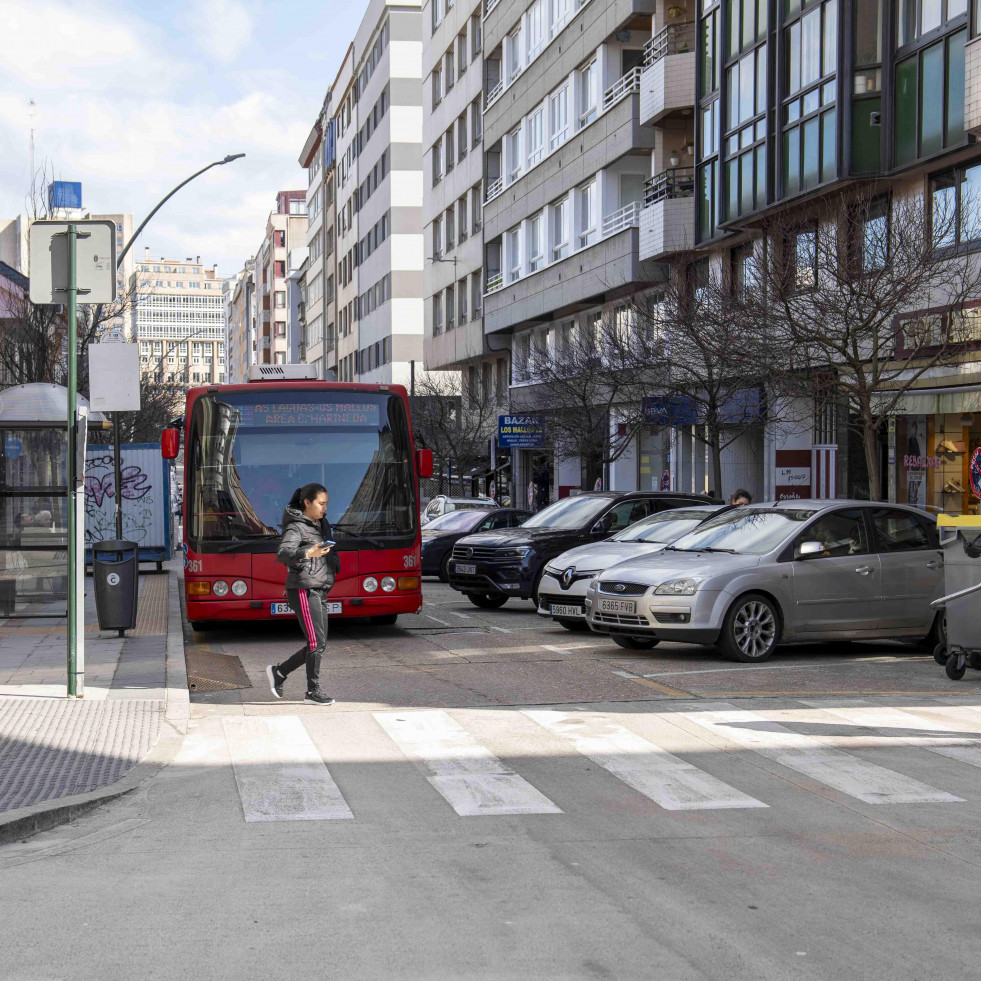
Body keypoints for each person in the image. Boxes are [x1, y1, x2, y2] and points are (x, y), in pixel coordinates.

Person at [265, 482, 341, 705]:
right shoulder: (296, 527)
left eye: (326, 504)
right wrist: (309, 551)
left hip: (319, 587)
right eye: (321, 503)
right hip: (303, 589)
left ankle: (279, 672)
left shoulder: (319, 524)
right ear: (307, 502)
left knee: (319, 643)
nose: (324, 508)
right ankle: (312, 692)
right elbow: (283, 553)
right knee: (316, 642)